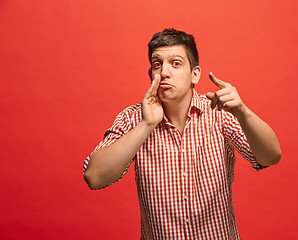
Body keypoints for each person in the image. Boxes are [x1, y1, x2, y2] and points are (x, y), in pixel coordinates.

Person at [83, 28, 281, 239]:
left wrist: (242, 111)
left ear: (195, 74)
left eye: (175, 63)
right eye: (157, 64)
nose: (164, 72)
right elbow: (94, 177)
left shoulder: (220, 114)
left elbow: (270, 157)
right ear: (151, 74)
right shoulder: (133, 118)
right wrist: (146, 124)